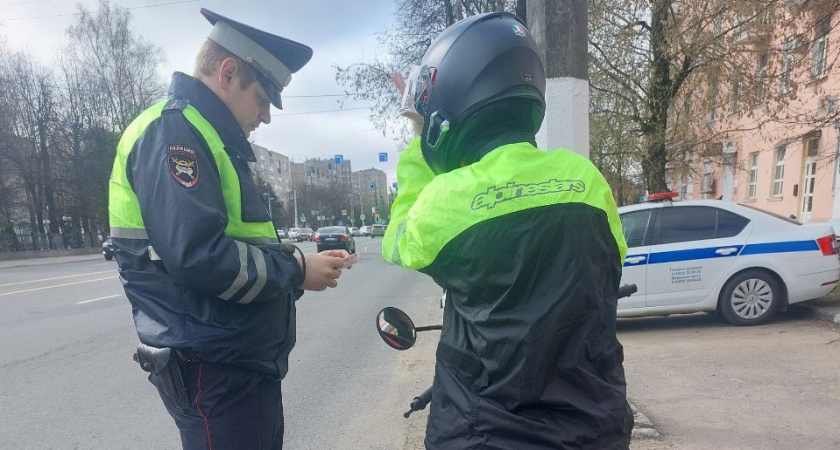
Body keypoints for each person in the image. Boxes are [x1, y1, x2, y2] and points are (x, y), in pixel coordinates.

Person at [382, 12, 633, 449]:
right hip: (594, 428)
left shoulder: (448, 197)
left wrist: (418, 139)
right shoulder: (585, 179)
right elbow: (612, 262)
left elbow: (400, 241)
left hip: (486, 433)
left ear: (451, 107)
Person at [108, 8, 348, 450]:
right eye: (262, 98)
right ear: (228, 71)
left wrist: (299, 267)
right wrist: (297, 270)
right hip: (215, 369)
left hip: (231, 365)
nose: (266, 117)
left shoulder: (207, 136)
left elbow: (235, 246)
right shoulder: (175, 132)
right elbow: (201, 257)